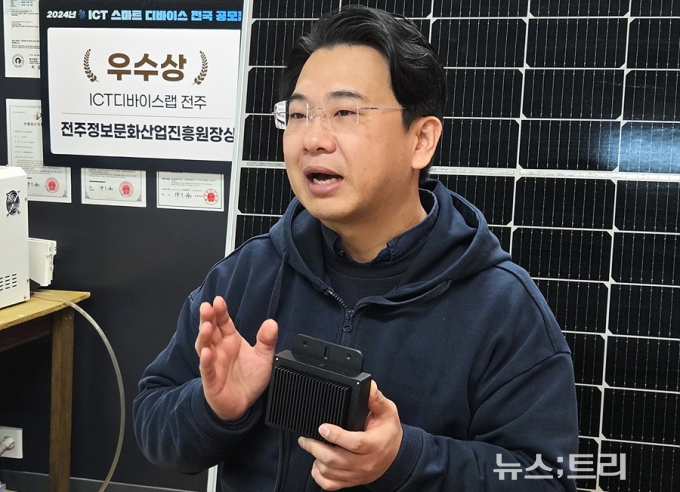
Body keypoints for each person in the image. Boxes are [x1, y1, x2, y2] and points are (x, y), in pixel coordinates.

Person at [133, 6, 579, 492]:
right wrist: (213, 408)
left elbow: (548, 479)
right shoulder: (245, 276)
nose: (312, 139)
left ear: (421, 140)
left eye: (345, 113)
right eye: (298, 115)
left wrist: (406, 461)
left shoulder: (503, 307)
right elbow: (155, 425)